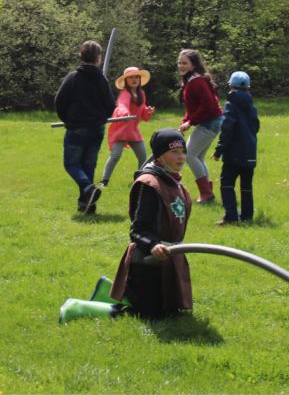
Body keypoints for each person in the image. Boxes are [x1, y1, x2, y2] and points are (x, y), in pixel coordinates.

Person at [58, 128, 193, 323]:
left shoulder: (176, 184)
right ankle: (78, 308)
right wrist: (153, 245)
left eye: (183, 152)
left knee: (171, 314)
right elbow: (137, 230)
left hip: (170, 260)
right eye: (174, 152)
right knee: (145, 316)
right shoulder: (149, 185)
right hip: (147, 261)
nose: (181, 157)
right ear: (160, 156)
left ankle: (110, 290)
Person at [54, 40, 115, 214]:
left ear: (81, 56)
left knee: (72, 164)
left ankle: (87, 189)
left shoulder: (73, 77)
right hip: (96, 129)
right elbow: (110, 106)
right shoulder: (101, 79)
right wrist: (101, 117)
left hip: (77, 128)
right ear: (98, 58)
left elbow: (59, 101)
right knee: (88, 165)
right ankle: (87, 205)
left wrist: (67, 119)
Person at [213, 71, 260, 225]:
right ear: (249, 88)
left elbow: (227, 129)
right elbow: (256, 127)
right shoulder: (252, 106)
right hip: (250, 153)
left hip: (233, 154)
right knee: (246, 187)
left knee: (227, 184)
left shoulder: (230, 105)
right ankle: (247, 217)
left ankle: (231, 217)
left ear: (230, 87)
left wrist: (219, 150)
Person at [177, 49, 223, 203]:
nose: (181, 66)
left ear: (193, 65)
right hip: (210, 120)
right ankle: (207, 193)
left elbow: (208, 105)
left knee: (189, 155)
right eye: (180, 63)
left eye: (185, 63)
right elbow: (193, 107)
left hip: (211, 121)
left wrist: (191, 122)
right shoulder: (192, 80)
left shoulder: (197, 81)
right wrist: (186, 120)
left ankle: (206, 193)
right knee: (199, 156)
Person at [100, 67, 155, 188]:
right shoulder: (125, 94)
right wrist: (126, 114)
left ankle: (141, 179)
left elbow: (143, 113)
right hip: (120, 131)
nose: (134, 79)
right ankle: (104, 181)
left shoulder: (141, 94)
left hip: (133, 132)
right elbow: (122, 106)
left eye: (136, 77)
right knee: (115, 155)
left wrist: (148, 111)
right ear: (126, 80)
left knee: (143, 156)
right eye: (131, 77)